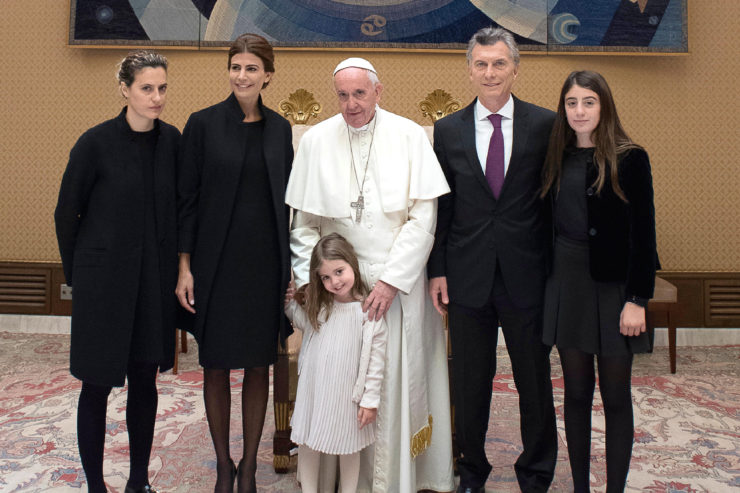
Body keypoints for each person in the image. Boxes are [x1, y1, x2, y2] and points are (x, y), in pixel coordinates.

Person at [285, 57, 455, 492]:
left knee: (391, 383)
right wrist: (311, 284)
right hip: (337, 291)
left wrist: (391, 280)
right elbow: (303, 226)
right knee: (340, 386)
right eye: (342, 95)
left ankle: (395, 480)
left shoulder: (409, 136)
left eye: (359, 94)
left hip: (396, 286)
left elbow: (423, 218)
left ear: (378, 91)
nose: (351, 104)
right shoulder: (317, 141)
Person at [427, 27, 558, 492]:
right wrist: (437, 269)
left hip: (527, 275)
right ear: (469, 70)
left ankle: (536, 472)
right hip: (467, 275)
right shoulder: (448, 130)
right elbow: (441, 207)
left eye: (499, 63)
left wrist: (556, 274)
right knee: (469, 383)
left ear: (515, 68)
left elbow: (552, 204)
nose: (490, 72)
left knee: (534, 382)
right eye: (481, 64)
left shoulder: (546, 125)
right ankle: (472, 471)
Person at [54, 50, 179, 493]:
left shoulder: (173, 142)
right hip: (103, 286)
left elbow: (181, 211)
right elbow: (66, 214)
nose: (156, 97)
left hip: (153, 285)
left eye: (162, 88)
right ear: (125, 89)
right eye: (147, 88)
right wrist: (80, 278)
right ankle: (95, 486)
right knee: (96, 386)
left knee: (145, 381)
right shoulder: (94, 143)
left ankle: (138, 481)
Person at [175, 33, 293, 493]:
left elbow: (289, 204)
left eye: (251, 69)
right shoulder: (201, 124)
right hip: (215, 264)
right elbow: (187, 201)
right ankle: (224, 466)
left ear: (268, 75)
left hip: (264, 266)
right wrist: (184, 267)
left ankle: (248, 468)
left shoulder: (280, 129)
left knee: (260, 365)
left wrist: (292, 271)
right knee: (217, 364)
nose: (242, 76)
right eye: (235, 67)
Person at [540, 70, 657, 492]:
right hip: (567, 285)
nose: (579, 110)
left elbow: (644, 234)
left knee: (615, 395)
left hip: (614, 290)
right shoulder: (555, 156)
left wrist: (637, 299)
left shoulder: (630, 158)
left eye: (588, 102)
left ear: (603, 106)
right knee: (575, 394)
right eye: (571, 102)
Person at [284, 233, 387, 493]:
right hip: (315, 391)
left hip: (347, 397)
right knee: (308, 443)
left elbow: (376, 362)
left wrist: (370, 401)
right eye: (326, 278)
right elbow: (304, 323)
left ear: (352, 262)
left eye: (339, 272)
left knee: (349, 448)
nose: (334, 282)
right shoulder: (321, 306)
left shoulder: (367, 311)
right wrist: (290, 304)